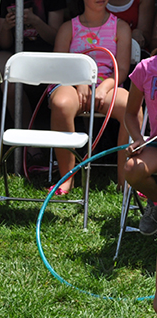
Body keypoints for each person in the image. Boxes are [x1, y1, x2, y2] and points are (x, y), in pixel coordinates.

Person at [48, 0, 132, 195]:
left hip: (107, 84)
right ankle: (66, 179)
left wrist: (103, 88)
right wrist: (80, 81)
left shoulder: (121, 27)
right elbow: (58, 64)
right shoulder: (68, 28)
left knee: (130, 106)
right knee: (61, 104)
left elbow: (123, 69)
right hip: (71, 83)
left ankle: (125, 181)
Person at [0, 0, 66, 150]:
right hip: (13, 54)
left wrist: (35, 21)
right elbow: (4, 43)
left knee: (13, 85)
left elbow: (56, 38)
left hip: (45, 55)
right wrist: (6, 27)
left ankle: (29, 141)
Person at [123, 51, 157, 234]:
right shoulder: (145, 68)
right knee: (132, 168)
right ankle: (156, 203)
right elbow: (130, 113)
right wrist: (138, 138)